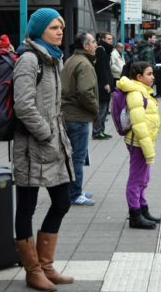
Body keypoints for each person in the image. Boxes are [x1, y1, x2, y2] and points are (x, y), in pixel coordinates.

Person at [12, 8, 75, 291]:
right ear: (38, 31)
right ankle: (33, 270)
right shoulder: (29, 59)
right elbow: (23, 105)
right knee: (26, 207)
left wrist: (55, 133)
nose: (59, 31)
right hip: (32, 145)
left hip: (53, 142)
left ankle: (46, 266)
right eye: (53, 28)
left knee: (62, 201)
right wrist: (45, 131)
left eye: (60, 27)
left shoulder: (53, 59)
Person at [115, 61, 161, 230]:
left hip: (143, 142)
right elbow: (139, 124)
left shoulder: (143, 91)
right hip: (139, 143)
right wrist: (148, 150)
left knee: (144, 178)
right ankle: (135, 214)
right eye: (149, 74)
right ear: (139, 77)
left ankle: (143, 209)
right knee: (136, 180)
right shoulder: (136, 93)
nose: (153, 77)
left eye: (152, 73)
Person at [61, 32, 99, 207]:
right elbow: (85, 92)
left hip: (67, 113)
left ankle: (72, 190)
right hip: (78, 115)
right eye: (93, 42)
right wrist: (95, 109)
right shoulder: (85, 64)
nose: (96, 45)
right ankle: (75, 194)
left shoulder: (71, 60)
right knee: (78, 157)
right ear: (85, 46)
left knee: (70, 156)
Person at [92, 32, 114, 140]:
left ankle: (101, 130)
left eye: (111, 39)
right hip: (102, 85)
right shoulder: (101, 50)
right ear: (103, 39)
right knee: (101, 109)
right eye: (108, 39)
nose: (111, 41)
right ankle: (96, 131)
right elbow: (101, 68)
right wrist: (106, 83)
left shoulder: (106, 50)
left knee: (105, 110)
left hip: (106, 83)